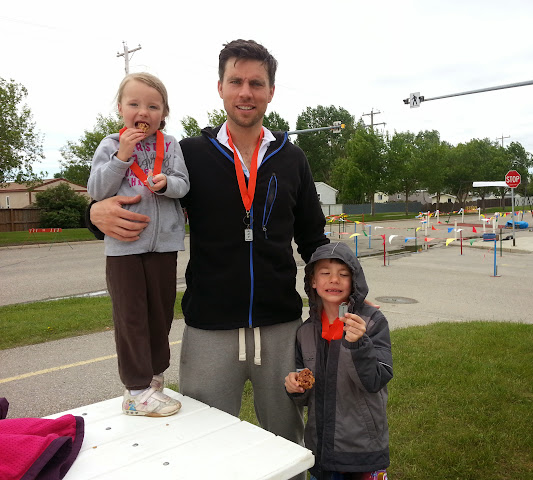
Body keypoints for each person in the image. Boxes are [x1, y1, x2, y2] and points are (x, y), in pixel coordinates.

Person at [87, 40, 328, 473]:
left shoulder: (292, 158)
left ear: (271, 91)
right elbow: (129, 196)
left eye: (256, 83)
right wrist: (92, 214)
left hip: (280, 327)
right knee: (204, 451)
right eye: (236, 81)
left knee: (287, 445)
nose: (245, 92)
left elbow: (313, 237)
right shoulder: (188, 154)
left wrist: (345, 291)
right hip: (209, 330)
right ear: (220, 87)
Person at [87, 72, 190, 417]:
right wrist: (122, 156)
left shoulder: (170, 145)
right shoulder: (110, 145)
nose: (143, 112)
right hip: (125, 247)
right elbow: (97, 190)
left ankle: (153, 380)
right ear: (120, 108)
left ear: (164, 113)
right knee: (131, 316)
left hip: (164, 246)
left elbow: (183, 184)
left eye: (153, 106)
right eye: (134, 104)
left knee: (160, 314)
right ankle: (134, 391)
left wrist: (166, 184)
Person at [285, 242, 393, 480]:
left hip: (362, 449)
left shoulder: (372, 323)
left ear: (354, 281)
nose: (334, 279)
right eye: (325, 273)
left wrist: (359, 344)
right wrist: (295, 387)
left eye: (343, 274)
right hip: (321, 448)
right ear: (313, 281)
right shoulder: (305, 332)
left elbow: (376, 380)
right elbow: (304, 394)